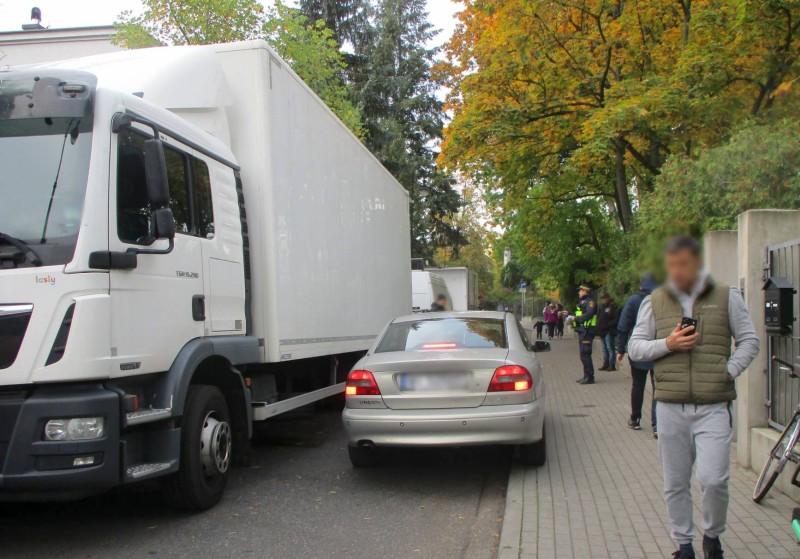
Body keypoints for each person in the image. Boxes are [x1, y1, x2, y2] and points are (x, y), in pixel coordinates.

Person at [628, 236, 759, 559]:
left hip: (713, 405)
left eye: (683, 264)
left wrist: (728, 371)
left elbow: (749, 341)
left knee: (714, 480)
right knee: (675, 482)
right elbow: (635, 347)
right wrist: (667, 345)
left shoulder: (727, 296)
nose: (677, 271)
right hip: (670, 406)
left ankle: (712, 536)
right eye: (671, 265)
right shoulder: (654, 300)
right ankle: (684, 544)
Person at [616, 273, 659, 435]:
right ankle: (657, 424)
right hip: (659, 350)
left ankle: (635, 419)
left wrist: (620, 349)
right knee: (658, 388)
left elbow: (623, 325)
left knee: (638, 385)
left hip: (640, 350)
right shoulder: (664, 299)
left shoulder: (634, 300)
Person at [574, 284, 597, 385]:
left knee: (586, 353)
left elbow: (589, 314)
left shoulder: (590, 302)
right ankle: (586, 375)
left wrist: (577, 319)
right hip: (583, 330)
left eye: (580, 290)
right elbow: (581, 314)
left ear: (585, 291)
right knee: (583, 354)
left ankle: (590, 377)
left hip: (587, 331)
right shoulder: (583, 301)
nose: (579, 292)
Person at [596, 293, 620, 371]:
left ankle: (612, 364)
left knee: (610, 348)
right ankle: (605, 363)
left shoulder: (612, 307)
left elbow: (616, 319)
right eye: (602, 299)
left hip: (609, 331)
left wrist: (608, 324)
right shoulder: (601, 308)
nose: (603, 300)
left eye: (604, 298)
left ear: (608, 298)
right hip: (602, 331)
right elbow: (598, 318)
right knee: (604, 348)